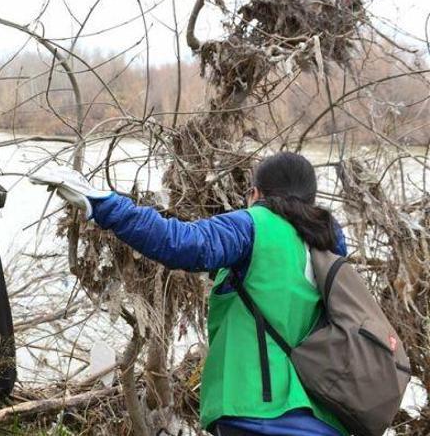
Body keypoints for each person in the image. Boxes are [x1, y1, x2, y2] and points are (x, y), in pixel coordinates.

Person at [30, 152, 348, 436]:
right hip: (326, 416)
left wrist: (101, 203)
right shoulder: (330, 240)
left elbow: (181, 242)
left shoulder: (254, 226)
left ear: (254, 193)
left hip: (259, 412)